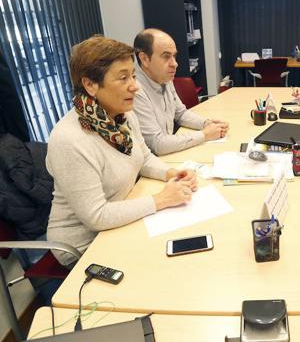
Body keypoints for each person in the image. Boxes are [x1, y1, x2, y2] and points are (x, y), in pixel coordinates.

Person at [47, 36, 197, 266]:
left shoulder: (123, 115)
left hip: (122, 216)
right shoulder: (69, 140)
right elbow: (96, 216)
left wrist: (171, 173)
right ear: (90, 85)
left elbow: (144, 157)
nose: (135, 86)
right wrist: (160, 200)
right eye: (123, 78)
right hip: (85, 246)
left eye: (134, 76)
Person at [132, 28, 229, 155]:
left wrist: (206, 123)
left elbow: (180, 113)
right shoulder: (135, 90)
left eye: (174, 56)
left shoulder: (164, 77)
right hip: (153, 161)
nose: (175, 64)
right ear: (144, 59)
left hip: (169, 153)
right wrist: (204, 135)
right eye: (166, 56)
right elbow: (157, 144)